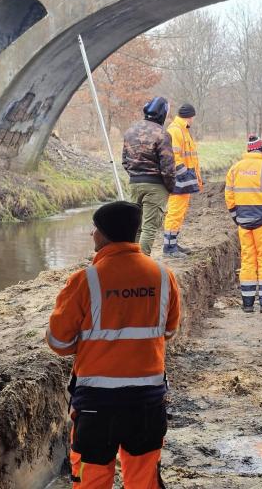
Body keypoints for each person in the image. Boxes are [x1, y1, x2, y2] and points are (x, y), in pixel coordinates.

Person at [47, 201, 180, 489]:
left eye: (94, 228)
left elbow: (59, 341)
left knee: (92, 480)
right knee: (144, 480)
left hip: (97, 403)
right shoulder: (163, 276)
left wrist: (92, 344)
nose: (91, 234)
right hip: (147, 400)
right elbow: (169, 331)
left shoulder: (85, 280)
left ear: (104, 234)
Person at [224, 134, 262, 313]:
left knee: (247, 260)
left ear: (248, 150)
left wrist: (236, 217)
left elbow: (229, 195)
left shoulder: (235, 168)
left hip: (243, 221)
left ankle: (247, 303)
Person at [122, 96, 176, 255]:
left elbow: (124, 160)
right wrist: (170, 187)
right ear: (163, 113)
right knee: (149, 227)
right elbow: (168, 167)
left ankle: (130, 260)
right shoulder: (162, 134)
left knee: (135, 226)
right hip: (156, 186)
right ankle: (141, 263)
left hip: (134, 184)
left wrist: (135, 176)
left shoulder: (130, 131)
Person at [162, 103, 202, 258]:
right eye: (193, 117)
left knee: (179, 213)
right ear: (189, 117)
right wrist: (185, 174)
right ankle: (169, 248)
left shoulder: (183, 130)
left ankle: (173, 243)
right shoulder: (175, 130)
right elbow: (174, 157)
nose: (193, 120)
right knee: (175, 212)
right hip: (179, 180)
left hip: (184, 179)